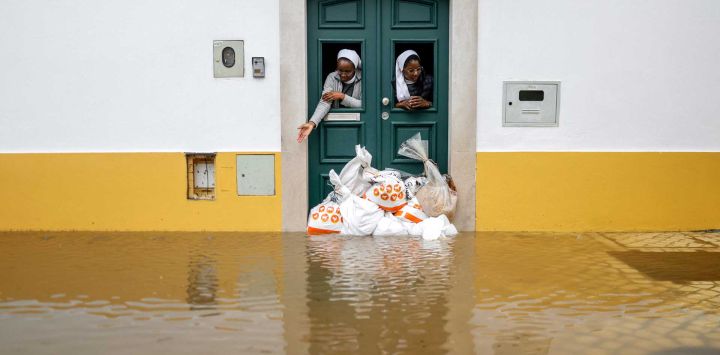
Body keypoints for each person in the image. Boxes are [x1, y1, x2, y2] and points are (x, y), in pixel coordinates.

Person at [297, 49, 362, 143]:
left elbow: (365, 105)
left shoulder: (363, 78)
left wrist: (342, 96)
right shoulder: (332, 77)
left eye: (348, 71)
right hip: (335, 124)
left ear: (355, 69)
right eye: (340, 70)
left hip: (356, 123)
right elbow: (325, 102)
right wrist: (312, 123)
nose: (343, 75)